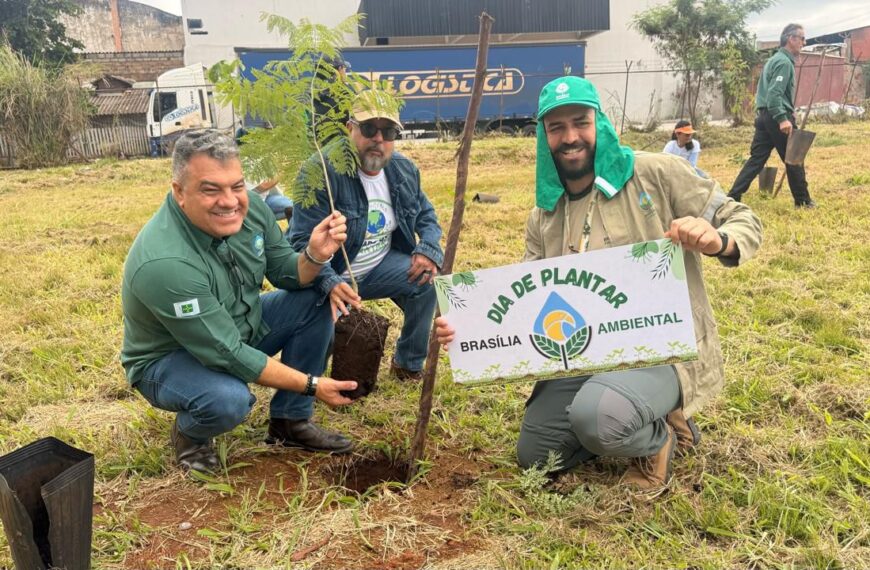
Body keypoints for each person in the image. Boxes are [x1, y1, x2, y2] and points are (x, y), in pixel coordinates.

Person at [435, 76, 763, 497]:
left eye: (580, 122)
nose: (570, 137)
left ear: (600, 124)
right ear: (544, 136)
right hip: (588, 353)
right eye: (556, 128)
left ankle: (656, 439)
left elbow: (742, 217)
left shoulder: (655, 173)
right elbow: (524, 299)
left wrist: (719, 239)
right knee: (537, 453)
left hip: (666, 349)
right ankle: (630, 411)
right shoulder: (544, 215)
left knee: (599, 417)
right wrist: (467, 327)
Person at [121, 129, 360, 474]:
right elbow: (227, 352)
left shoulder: (252, 210)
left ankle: (290, 422)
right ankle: (190, 435)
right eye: (210, 189)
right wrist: (312, 384)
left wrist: (314, 255)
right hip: (170, 357)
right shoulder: (165, 263)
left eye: (236, 186)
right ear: (179, 192)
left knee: (315, 297)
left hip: (237, 324)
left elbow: (287, 274)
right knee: (228, 400)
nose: (230, 201)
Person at [290, 89, 444, 380]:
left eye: (388, 132)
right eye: (369, 128)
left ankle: (408, 364)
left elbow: (426, 214)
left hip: (378, 268)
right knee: (317, 348)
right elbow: (299, 242)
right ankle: (307, 382)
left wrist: (429, 248)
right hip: (331, 275)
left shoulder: (403, 170)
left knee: (427, 279)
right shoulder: (321, 171)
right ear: (350, 128)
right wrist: (329, 282)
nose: (379, 139)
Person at [728, 23, 816, 208]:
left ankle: (733, 196)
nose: (804, 42)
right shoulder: (784, 63)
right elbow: (774, 94)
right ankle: (803, 201)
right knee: (794, 157)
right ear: (791, 39)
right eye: (802, 38)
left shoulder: (774, 60)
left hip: (764, 117)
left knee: (757, 159)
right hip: (776, 117)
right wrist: (782, 118)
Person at [235, 126, 294, 221]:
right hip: (253, 205)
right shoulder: (241, 161)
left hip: (266, 199)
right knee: (292, 207)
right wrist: (281, 172)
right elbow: (260, 188)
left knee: (294, 207)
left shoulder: (260, 157)